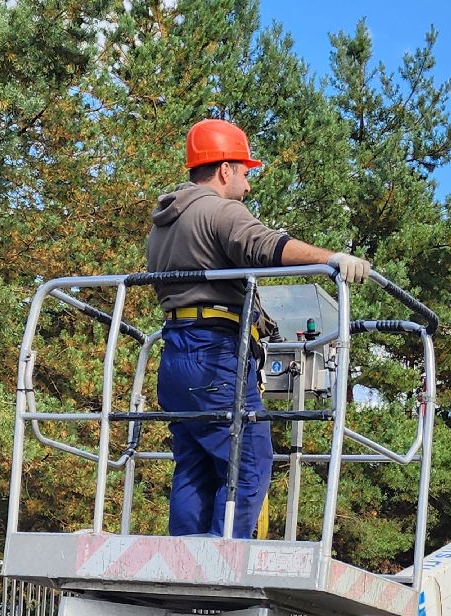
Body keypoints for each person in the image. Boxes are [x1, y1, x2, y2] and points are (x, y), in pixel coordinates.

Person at [146, 118, 371, 538]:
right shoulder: (219, 209)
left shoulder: (165, 223)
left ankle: (184, 564)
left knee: (195, 467)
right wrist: (332, 259)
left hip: (175, 353)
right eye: (245, 173)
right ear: (225, 169)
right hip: (215, 354)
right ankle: (220, 567)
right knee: (248, 461)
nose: (247, 186)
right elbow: (263, 245)